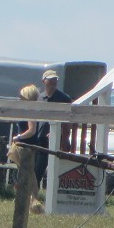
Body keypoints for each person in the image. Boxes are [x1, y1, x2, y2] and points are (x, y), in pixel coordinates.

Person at [33, 69, 72, 202]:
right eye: (50, 80)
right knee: (36, 171)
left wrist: (58, 131)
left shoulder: (64, 99)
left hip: (57, 142)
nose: (53, 83)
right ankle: (34, 197)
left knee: (57, 173)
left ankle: (57, 198)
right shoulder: (39, 98)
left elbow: (68, 121)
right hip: (40, 140)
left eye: (55, 80)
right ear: (44, 81)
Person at [11, 84, 42, 205]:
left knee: (29, 174)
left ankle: (33, 199)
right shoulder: (27, 111)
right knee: (25, 173)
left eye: (22, 97)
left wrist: (18, 137)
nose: (19, 99)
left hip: (28, 146)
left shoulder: (31, 111)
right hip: (23, 146)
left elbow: (32, 130)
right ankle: (27, 198)